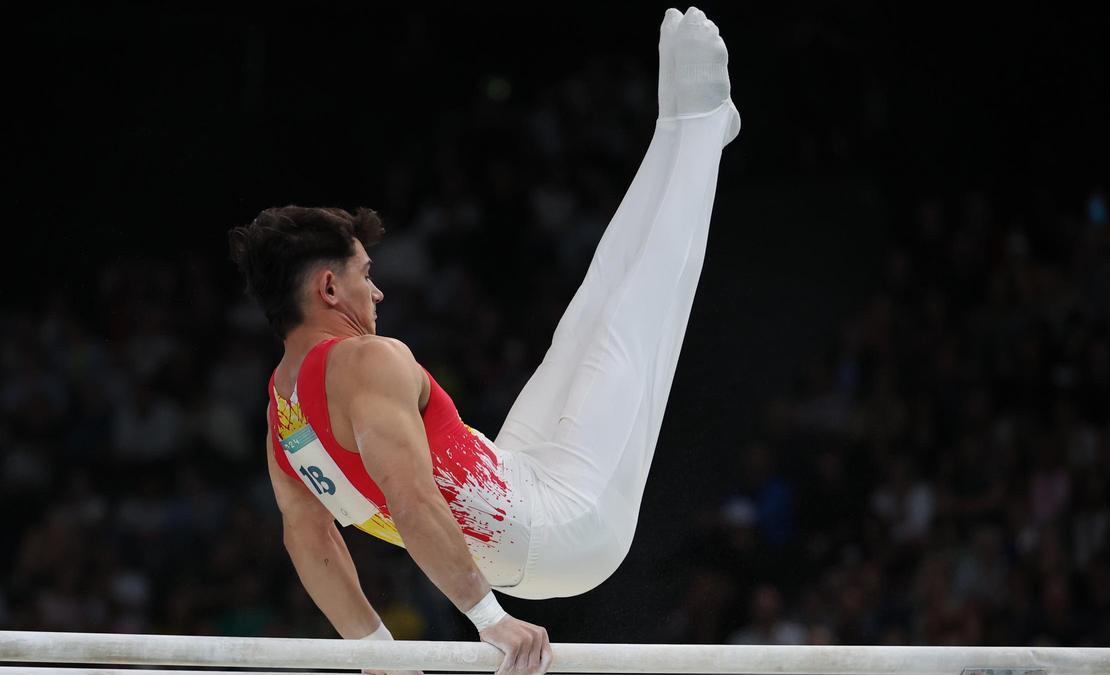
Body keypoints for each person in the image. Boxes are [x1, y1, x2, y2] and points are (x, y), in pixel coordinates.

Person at [228, 7, 739, 675]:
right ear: (328, 288)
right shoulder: (365, 360)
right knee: (632, 318)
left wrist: (377, 653)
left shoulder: (280, 415)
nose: (377, 294)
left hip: (520, 481)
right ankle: (700, 128)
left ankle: (679, 125)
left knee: (591, 314)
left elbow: (311, 539)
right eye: (366, 275)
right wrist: (487, 618)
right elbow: (410, 499)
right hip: (562, 531)